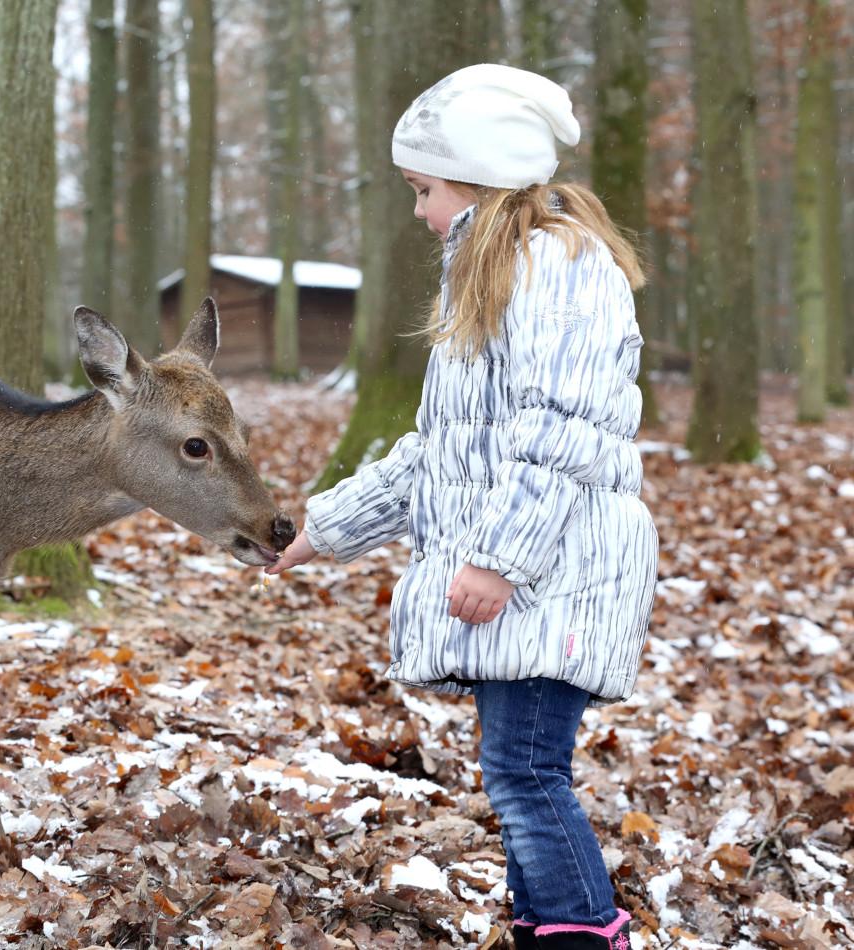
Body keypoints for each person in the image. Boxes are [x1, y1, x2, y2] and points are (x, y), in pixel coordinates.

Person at [267, 63, 656, 950]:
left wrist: (498, 560)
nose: (418, 210)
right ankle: (548, 930)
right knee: (519, 772)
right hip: (530, 571)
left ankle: (585, 934)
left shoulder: (557, 266)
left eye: (425, 188)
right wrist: (320, 531)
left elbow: (564, 428)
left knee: (524, 771)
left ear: (479, 177)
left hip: (555, 570)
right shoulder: (493, 275)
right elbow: (442, 454)